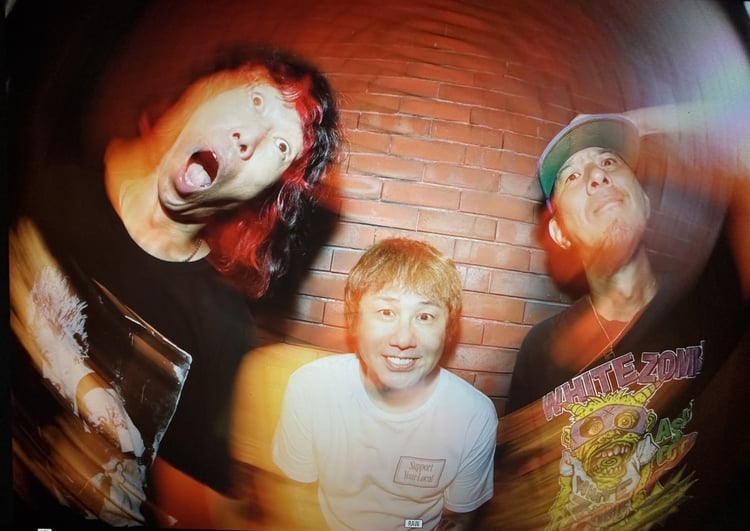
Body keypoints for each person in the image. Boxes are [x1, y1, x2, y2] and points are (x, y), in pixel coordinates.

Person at [9, 46, 342, 528]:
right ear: (206, 87)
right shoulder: (51, 189)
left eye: (280, 148)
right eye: (256, 99)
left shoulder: (221, 328)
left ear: (266, 195)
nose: (248, 139)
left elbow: (190, 503)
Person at [496, 111, 749, 529]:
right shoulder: (541, 350)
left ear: (644, 202)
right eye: (572, 176)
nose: (597, 176)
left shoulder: (709, 299)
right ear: (560, 233)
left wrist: (643, 123)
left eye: (609, 162)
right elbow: (513, 490)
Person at [271, 238, 499, 530]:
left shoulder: (473, 416)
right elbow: (296, 496)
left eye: (425, 316)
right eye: (386, 312)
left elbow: (458, 518)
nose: (403, 339)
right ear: (354, 320)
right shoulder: (311, 388)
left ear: (448, 330)